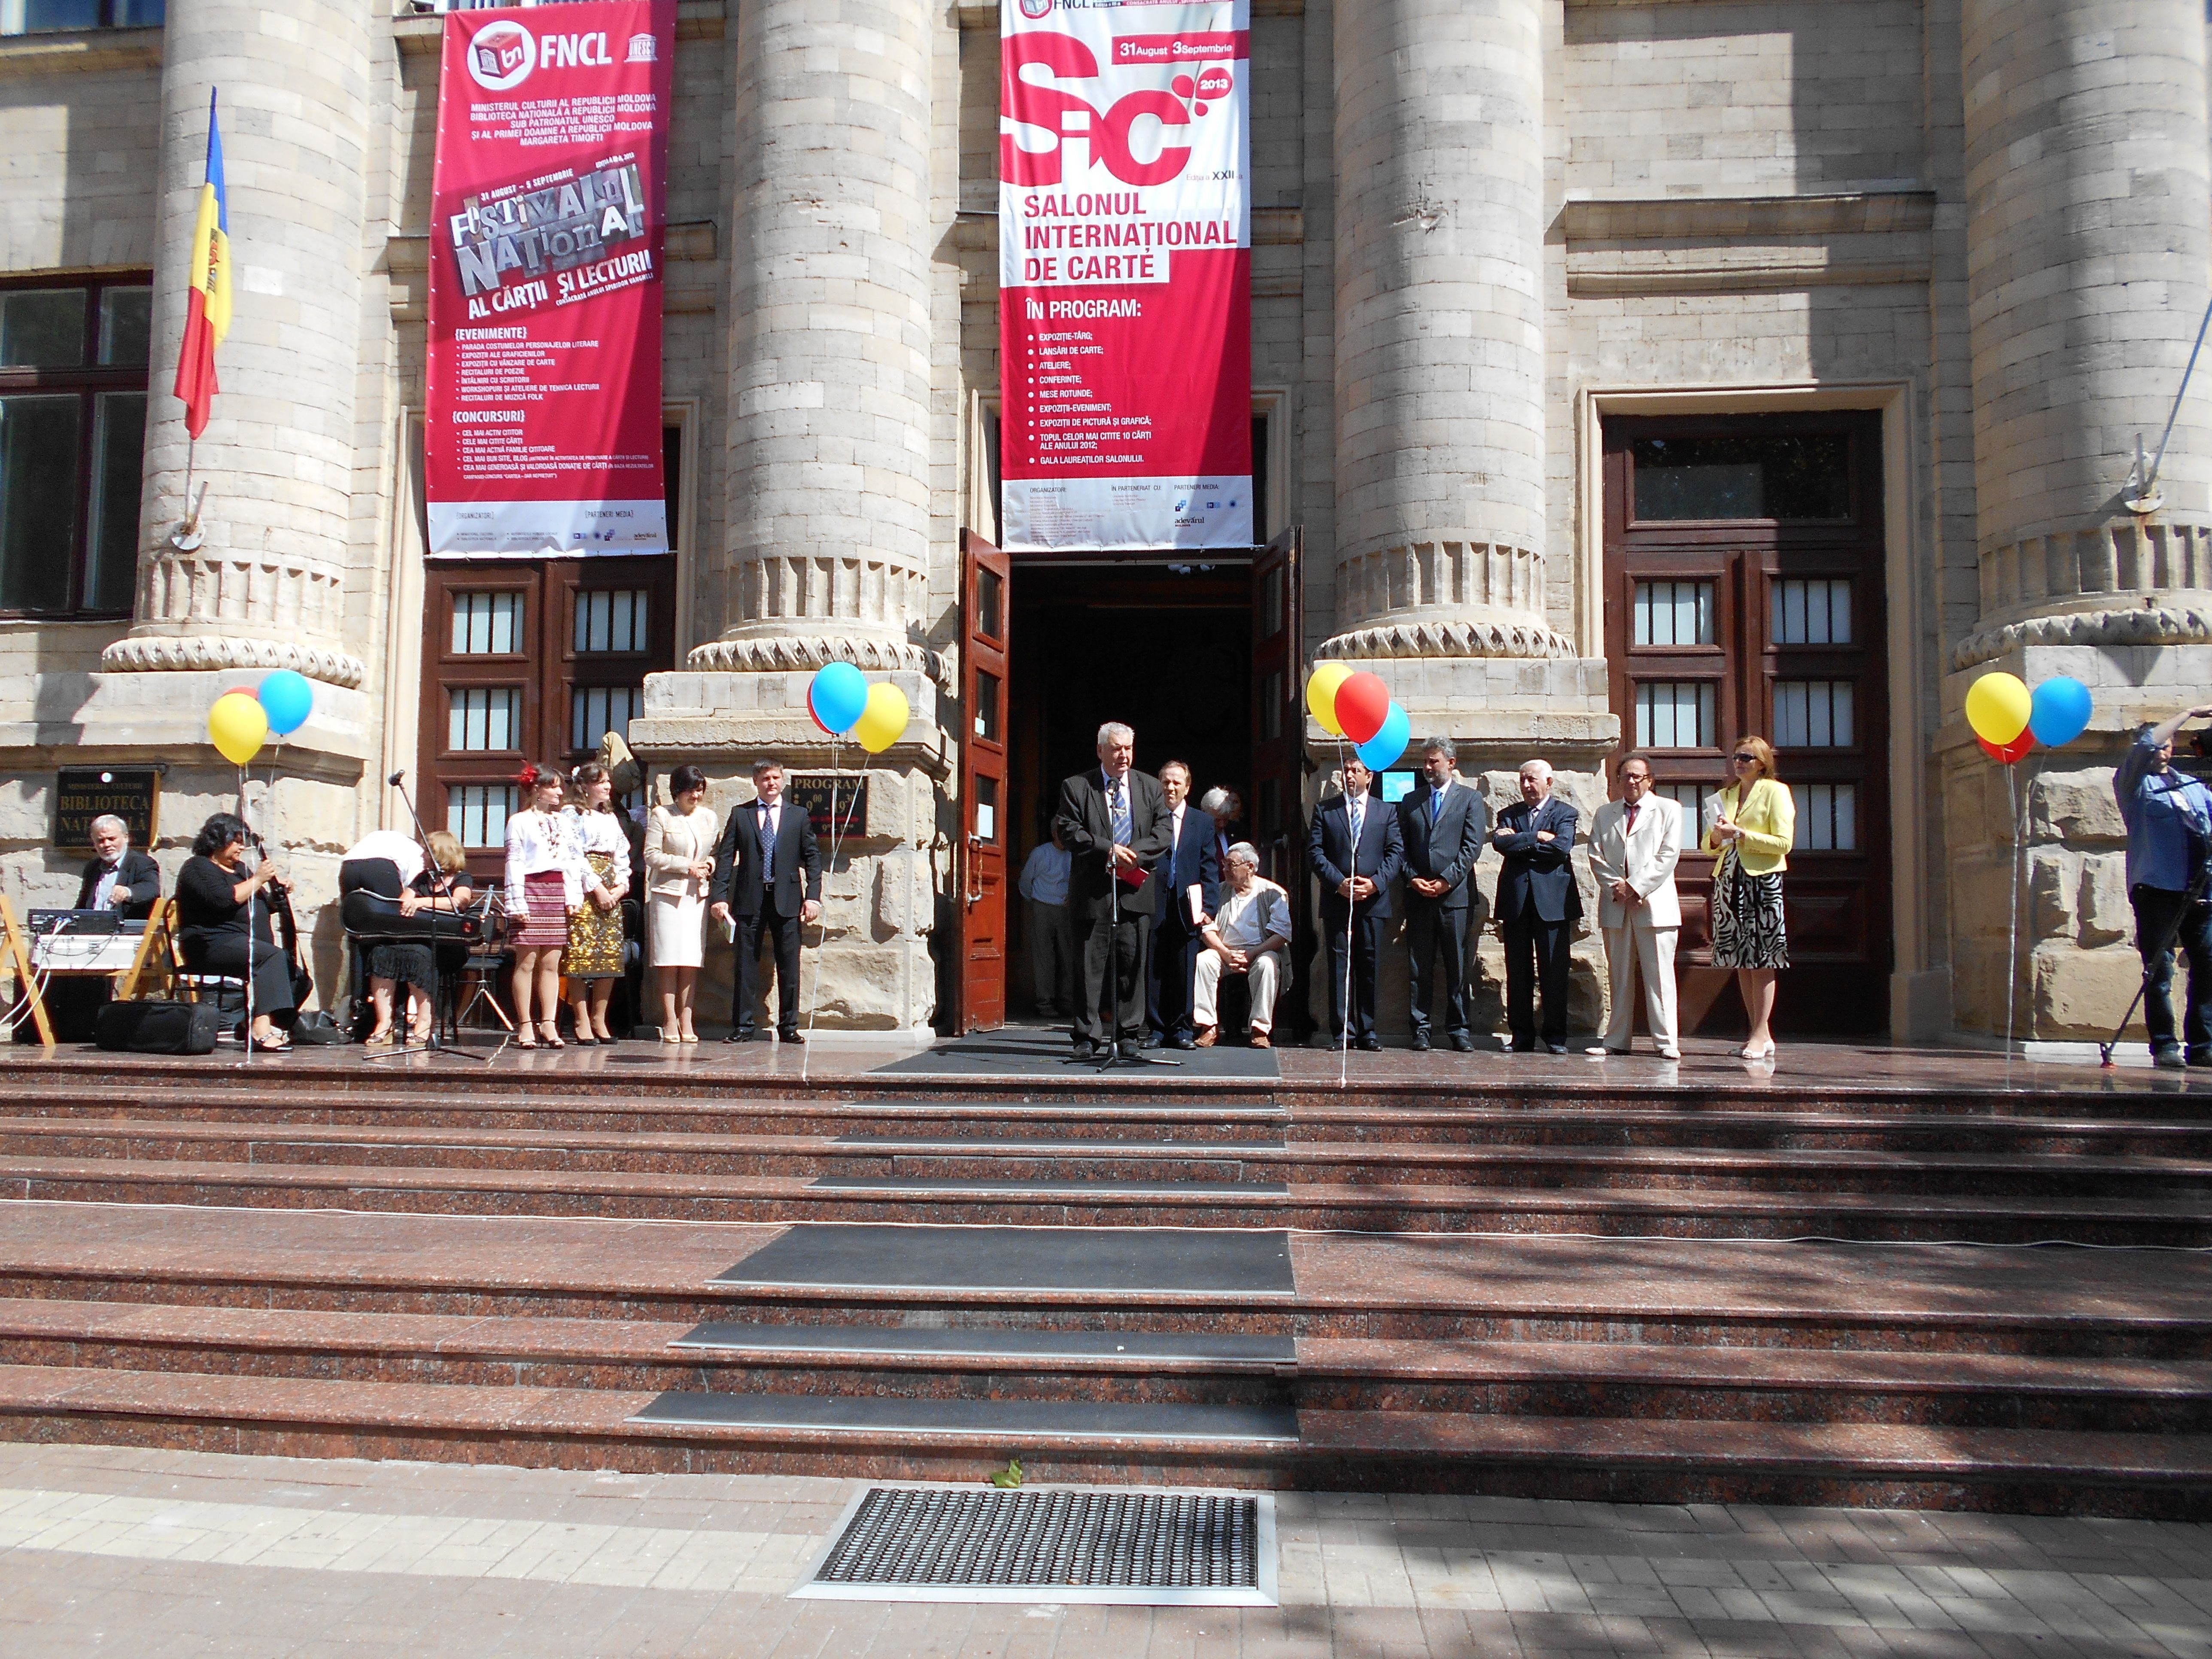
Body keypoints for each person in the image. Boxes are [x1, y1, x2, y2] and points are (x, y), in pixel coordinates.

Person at [1054, 721, 1170, 1058]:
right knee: (1089, 967)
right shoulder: (1076, 787)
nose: (1124, 755)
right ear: (1101, 750)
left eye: (1129, 749)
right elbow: (1069, 830)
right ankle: (1087, 1038)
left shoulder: (1149, 787)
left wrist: (1135, 855)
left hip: (1135, 889)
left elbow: (1163, 832)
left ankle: (1129, 1034)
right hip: (1093, 891)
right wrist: (1107, 849)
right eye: (1117, 748)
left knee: (1132, 965)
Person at [2114, 703, 2212, 1068]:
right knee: (2160, 967)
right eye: (2158, 744)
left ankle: (2202, 1045)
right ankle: (2165, 1045)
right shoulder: (2135, 784)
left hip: (2200, 889)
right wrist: (2188, 714)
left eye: (2169, 745)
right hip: (2157, 887)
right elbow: (2143, 749)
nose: (2162, 750)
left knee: (2207, 964)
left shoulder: (2194, 788)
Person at [711, 759, 823, 1043]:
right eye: (764, 779)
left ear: (782, 781)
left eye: (775, 778)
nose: (770, 783)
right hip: (750, 899)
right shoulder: (741, 814)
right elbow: (726, 859)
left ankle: (789, 1027)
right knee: (745, 964)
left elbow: (812, 858)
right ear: (756, 783)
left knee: (789, 965)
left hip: (787, 900)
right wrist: (720, 898)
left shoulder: (798, 815)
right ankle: (744, 1026)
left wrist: (813, 898)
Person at [1585, 752, 1683, 1061]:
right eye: (1625, 776)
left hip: (1655, 905)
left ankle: (1666, 1042)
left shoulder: (1669, 809)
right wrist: (1619, 888)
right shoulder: (1605, 813)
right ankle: (1616, 1039)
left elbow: (1668, 855)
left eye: (1637, 776)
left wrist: (1637, 886)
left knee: (1659, 976)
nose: (1631, 782)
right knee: (1619, 976)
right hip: (1616, 904)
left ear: (1649, 780)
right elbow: (1595, 854)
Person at [1705, 734, 1795, 1062]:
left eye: (1746, 758)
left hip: (1762, 881)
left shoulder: (1776, 792)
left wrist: (1742, 834)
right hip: (1729, 880)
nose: (1739, 763)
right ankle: (1759, 1034)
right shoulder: (1724, 795)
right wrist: (1716, 837)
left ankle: (1761, 1032)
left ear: (1762, 763)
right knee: (1740, 959)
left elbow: (1784, 842)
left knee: (1764, 958)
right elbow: (1708, 845)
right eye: (1736, 757)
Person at [339, 826, 471, 1048]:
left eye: (427, 852)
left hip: (448, 946)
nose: (422, 856)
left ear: (441, 854)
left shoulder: (461, 878)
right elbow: (401, 903)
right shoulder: (422, 879)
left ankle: (423, 1024)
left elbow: (459, 902)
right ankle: (384, 1024)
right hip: (417, 939)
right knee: (381, 953)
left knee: (420, 956)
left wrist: (420, 903)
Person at [174, 812, 295, 1052]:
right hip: (211, 944)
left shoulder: (241, 870)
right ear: (218, 841)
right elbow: (224, 900)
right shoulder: (198, 867)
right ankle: (261, 1030)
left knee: (296, 975)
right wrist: (260, 879)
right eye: (237, 841)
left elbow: (256, 902)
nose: (242, 847)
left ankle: (248, 1023)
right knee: (272, 958)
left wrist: (276, 895)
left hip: (243, 943)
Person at [1309, 757, 1404, 1050]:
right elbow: (1316, 853)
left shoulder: (1386, 812)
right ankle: (1343, 1031)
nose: (1350, 776)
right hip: (1339, 900)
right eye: (1346, 771)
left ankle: (1368, 1030)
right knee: (1339, 965)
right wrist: (1339, 883)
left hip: (1373, 901)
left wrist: (1375, 883)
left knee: (1370, 964)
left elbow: (1396, 853)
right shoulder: (1326, 810)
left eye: (1356, 771)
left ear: (1369, 776)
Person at [1398, 737, 1486, 1052]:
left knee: (1457, 965)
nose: (1427, 768)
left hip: (1456, 898)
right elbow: (1400, 847)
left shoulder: (1470, 799)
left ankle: (1459, 1028)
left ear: (1451, 762)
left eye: (1433, 762)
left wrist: (1447, 880)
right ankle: (1420, 1028)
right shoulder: (1411, 800)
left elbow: (1472, 846)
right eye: (1425, 762)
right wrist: (1413, 878)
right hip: (1419, 896)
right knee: (1419, 966)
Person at [1493, 758, 1581, 1054]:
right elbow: (1501, 845)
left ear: (1549, 783)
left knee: (1554, 971)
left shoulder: (1565, 814)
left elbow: (1560, 848)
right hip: (1517, 902)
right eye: (1523, 780)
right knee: (1518, 972)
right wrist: (1535, 837)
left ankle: (1555, 1037)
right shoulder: (1509, 814)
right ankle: (1521, 1036)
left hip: (1553, 902)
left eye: (1533, 779)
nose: (1528, 786)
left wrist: (1521, 842)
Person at [504, 761, 591, 1050]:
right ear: (538, 789)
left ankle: (549, 1023)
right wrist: (516, 901)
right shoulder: (519, 821)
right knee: (527, 961)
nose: (559, 791)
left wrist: (573, 895)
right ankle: (526, 1024)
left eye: (560, 786)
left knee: (552, 963)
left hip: (556, 890)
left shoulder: (564, 822)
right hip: (529, 890)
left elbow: (572, 860)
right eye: (553, 786)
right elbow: (515, 861)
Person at [1144, 759, 1220, 1050]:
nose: (1171, 787)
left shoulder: (1202, 823)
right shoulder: (1150, 818)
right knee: (1154, 969)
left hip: (1188, 907)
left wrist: (1208, 909)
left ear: (1187, 788)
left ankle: (1183, 1029)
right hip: (1154, 904)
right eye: (1166, 782)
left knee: (1184, 969)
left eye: (1177, 782)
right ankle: (1156, 1030)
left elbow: (1209, 868)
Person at [645, 764, 718, 1044]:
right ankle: (669, 1019)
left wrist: (709, 864)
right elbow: (651, 855)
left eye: (699, 790)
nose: (696, 796)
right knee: (668, 960)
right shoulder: (661, 815)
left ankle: (687, 1016)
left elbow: (716, 851)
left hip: (696, 896)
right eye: (691, 790)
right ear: (677, 791)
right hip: (668, 895)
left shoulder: (709, 817)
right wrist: (686, 866)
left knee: (690, 960)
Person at [1194, 841, 1292, 1048]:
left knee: (1268, 963)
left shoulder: (1273, 893)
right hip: (1224, 952)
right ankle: (1208, 1026)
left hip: (1259, 952)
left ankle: (1259, 1030)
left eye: (1231, 865)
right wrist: (1226, 953)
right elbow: (1206, 929)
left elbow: (1281, 935)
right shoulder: (1219, 891)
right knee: (1204, 960)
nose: (1225, 869)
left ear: (1250, 867)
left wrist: (1251, 954)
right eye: (1224, 864)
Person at [562, 762, 632, 1046]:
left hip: (610, 887)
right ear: (585, 786)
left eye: (608, 782)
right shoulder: (572, 814)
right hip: (584, 887)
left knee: (609, 955)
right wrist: (596, 887)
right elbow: (573, 852)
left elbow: (622, 854)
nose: (607, 787)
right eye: (601, 782)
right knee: (581, 952)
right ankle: (580, 1018)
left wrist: (619, 887)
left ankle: (599, 1017)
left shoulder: (610, 817)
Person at [1016, 822, 1074, 1021]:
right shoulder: (1040, 853)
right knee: (1044, 958)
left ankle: (1067, 1001)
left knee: (1068, 957)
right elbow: (1026, 881)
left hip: (1066, 909)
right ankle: (1045, 1003)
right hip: (1043, 906)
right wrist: (1035, 901)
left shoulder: (1073, 855)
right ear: (1054, 833)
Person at [75, 815, 160, 919]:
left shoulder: (142, 863)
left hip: (127, 929)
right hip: (92, 929)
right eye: (100, 841)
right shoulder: (93, 867)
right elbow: (82, 906)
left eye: (112, 839)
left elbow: (151, 889)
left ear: (126, 838)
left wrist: (128, 892)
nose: (106, 844)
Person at [1199, 787, 1243, 885]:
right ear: (1204, 812)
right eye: (1217, 820)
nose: (1222, 825)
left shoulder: (1236, 831)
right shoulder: (1196, 834)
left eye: (1225, 820)